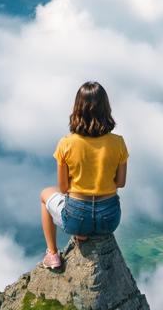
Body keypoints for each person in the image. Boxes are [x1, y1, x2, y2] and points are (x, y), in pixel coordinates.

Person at [40, 80, 129, 270]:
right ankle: (87, 229)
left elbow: (63, 188)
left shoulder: (66, 144)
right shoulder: (118, 143)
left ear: (78, 108)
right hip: (109, 220)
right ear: (106, 108)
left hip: (76, 219)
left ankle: (53, 254)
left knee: (46, 194)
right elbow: (120, 183)